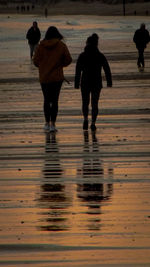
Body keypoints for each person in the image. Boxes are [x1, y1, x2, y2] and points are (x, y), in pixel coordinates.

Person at [33, 26, 72, 132]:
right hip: (57, 78)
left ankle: (46, 123)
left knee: (46, 100)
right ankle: (53, 124)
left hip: (44, 77)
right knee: (54, 101)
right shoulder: (61, 45)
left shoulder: (41, 46)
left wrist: (43, 66)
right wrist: (60, 65)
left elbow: (35, 61)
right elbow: (68, 59)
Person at [75, 33, 112, 131]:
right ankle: (93, 123)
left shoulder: (82, 55)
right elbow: (107, 69)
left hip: (85, 82)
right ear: (96, 44)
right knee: (95, 103)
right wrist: (109, 82)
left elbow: (78, 70)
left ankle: (85, 119)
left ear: (87, 43)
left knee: (85, 102)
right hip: (96, 82)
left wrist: (76, 83)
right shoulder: (100, 55)